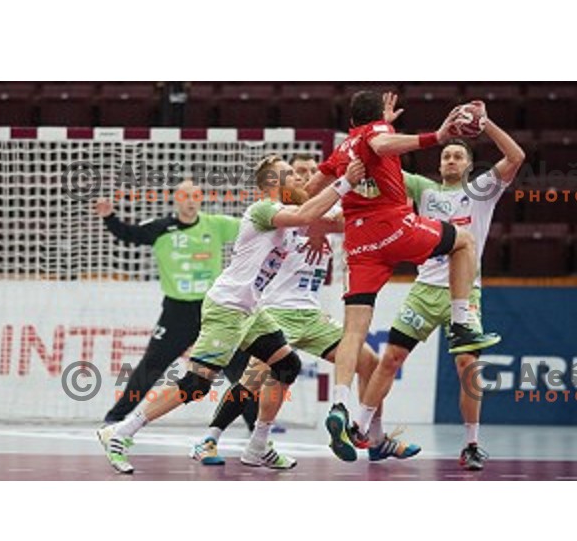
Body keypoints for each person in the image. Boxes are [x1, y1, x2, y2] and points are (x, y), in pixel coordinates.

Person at [97, 155, 366, 473]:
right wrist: (345, 180)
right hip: (227, 307)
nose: (296, 178)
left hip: (250, 309)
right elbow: (309, 212)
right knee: (197, 384)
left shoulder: (290, 211)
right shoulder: (264, 209)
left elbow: (321, 214)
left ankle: (258, 446)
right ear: (270, 184)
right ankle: (121, 431)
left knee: (286, 364)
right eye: (289, 174)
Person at [305, 90, 501, 461]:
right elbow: (380, 141)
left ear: (350, 121)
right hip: (395, 229)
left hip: (360, 243)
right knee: (463, 242)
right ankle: (462, 321)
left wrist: (330, 198)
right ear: (376, 116)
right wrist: (436, 137)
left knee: (354, 332)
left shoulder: (344, 148)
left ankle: (341, 405)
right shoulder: (375, 134)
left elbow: (310, 191)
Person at [190, 166, 419, 465]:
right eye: (298, 172)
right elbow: (304, 220)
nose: (305, 176)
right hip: (274, 310)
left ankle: (375, 439)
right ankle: (211, 439)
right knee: (255, 378)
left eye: (310, 170)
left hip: (311, 314)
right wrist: (316, 226)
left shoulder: (327, 209)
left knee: (370, 363)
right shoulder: (281, 212)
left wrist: (392, 197)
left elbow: (352, 218)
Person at [367, 112, 525, 470]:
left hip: (464, 294)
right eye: (446, 156)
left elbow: (516, 157)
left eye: (458, 156)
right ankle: (363, 428)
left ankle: (471, 443)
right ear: (439, 164)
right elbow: (380, 161)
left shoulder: (480, 189)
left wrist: (485, 124)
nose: (451, 160)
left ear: (469, 164)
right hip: (424, 289)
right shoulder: (424, 189)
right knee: (390, 358)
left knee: (468, 366)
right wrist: (383, 126)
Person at [94, 179, 248, 426]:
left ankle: (257, 424)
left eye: (195, 196)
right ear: (177, 199)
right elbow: (129, 234)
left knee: (237, 365)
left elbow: (252, 227)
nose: (190, 201)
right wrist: (109, 217)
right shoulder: (161, 228)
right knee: (152, 365)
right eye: (185, 196)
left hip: (211, 309)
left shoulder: (216, 225)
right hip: (176, 312)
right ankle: (115, 417)